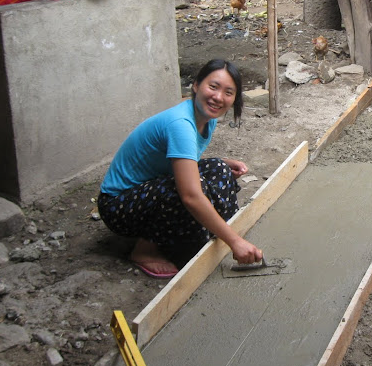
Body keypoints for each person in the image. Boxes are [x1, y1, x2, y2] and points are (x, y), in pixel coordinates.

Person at [97, 59, 263, 278]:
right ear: (196, 85)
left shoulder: (206, 117)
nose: (218, 97)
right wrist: (234, 241)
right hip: (118, 206)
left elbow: (183, 157)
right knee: (188, 193)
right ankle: (145, 250)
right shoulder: (181, 124)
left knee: (219, 168)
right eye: (213, 87)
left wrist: (222, 161)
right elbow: (191, 195)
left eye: (228, 92)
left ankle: (211, 230)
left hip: (150, 188)